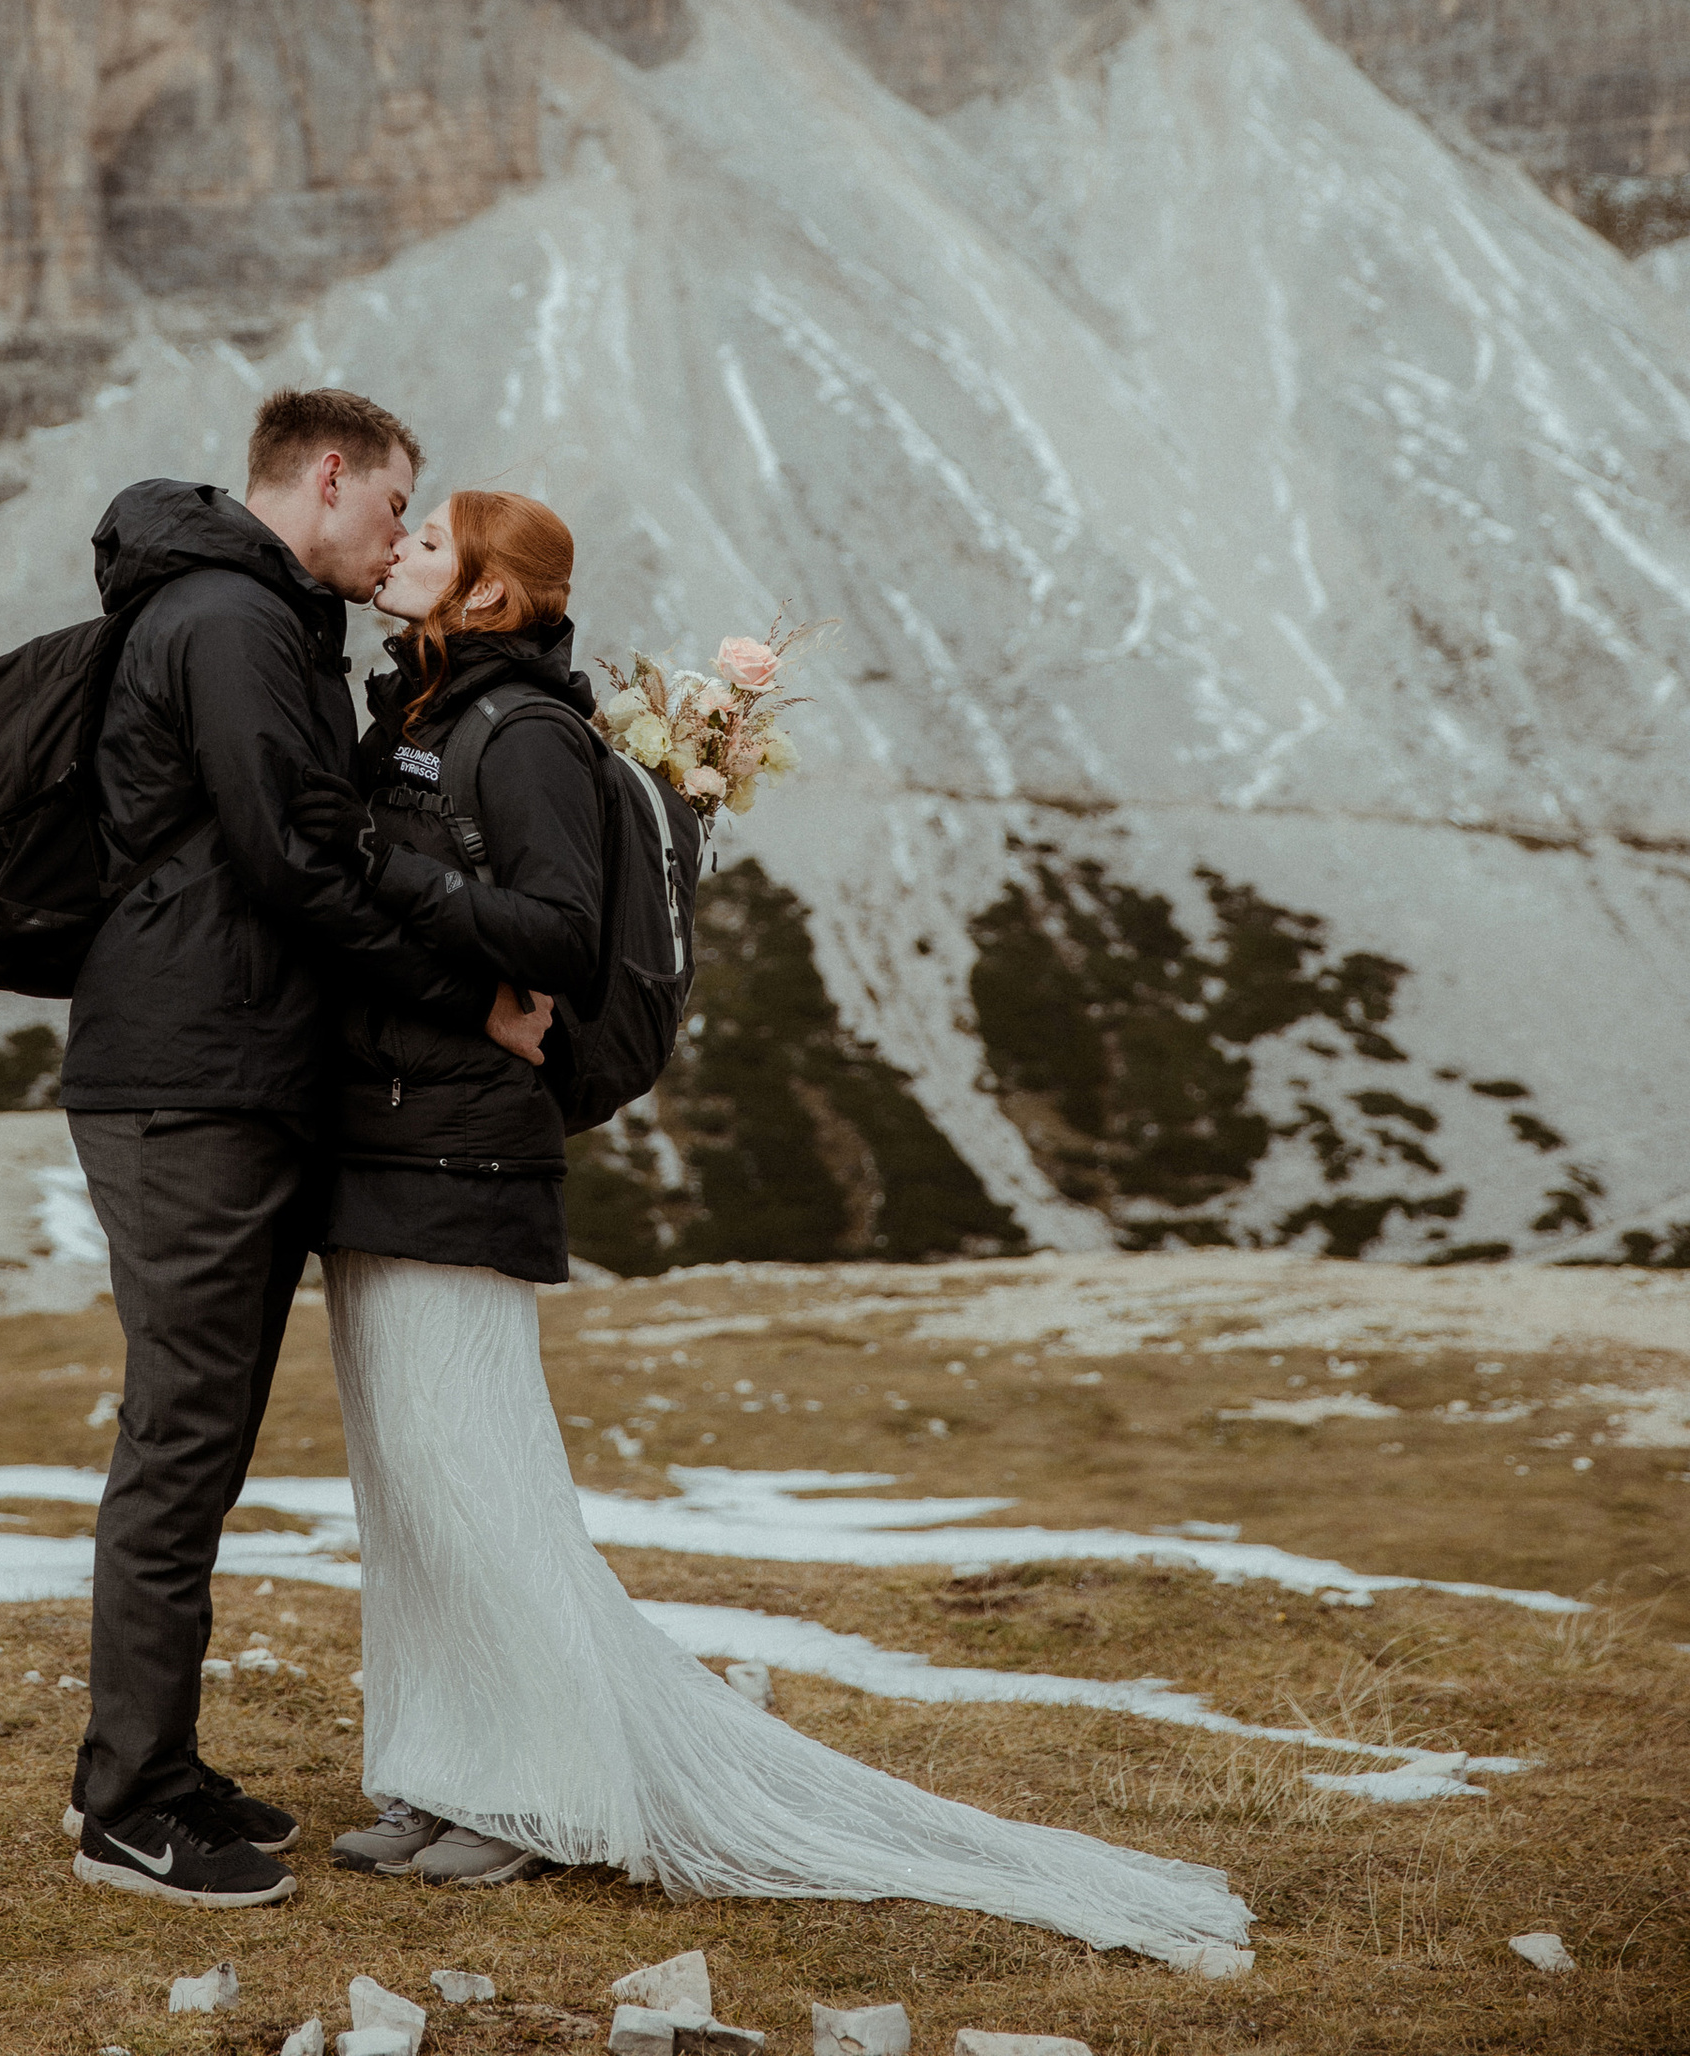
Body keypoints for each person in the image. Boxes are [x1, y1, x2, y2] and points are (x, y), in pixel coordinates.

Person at [318, 486, 1257, 1979]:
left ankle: (537, 1786)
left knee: (475, 1475)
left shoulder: (530, 738)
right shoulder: (424, 715)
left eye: (431, 540)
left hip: (463, 1151)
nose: (403, 550)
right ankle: (440, 1766)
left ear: (489, 594)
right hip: (384, 1136)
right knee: (408, 1486)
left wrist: (395, 879)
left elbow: (558, 931)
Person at [62, 388, 544, 1913]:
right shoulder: (235, 620)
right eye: (396, 507)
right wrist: (471, 989)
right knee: (182, 1440)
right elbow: (297, 863)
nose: (404, 535)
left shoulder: (254, 614)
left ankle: (168, 1765)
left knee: (204, 1432)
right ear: (327, 480)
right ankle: (132, 1807)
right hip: (192, 1079)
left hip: (224, 1068)